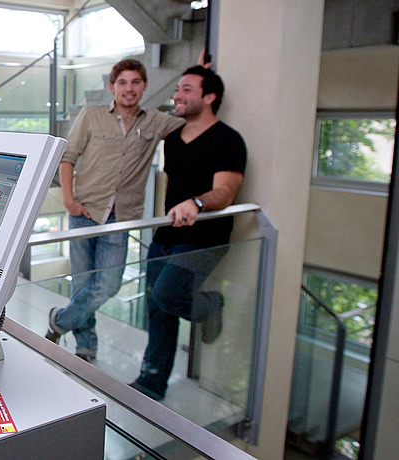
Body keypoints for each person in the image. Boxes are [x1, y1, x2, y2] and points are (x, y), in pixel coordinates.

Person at [45, 59, 185, 362]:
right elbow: (67, 157)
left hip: (120, 218)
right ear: (112, 87)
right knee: (83, 283)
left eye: (136, 82)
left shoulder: (156, 121)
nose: (129, 88)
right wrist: (69, 200)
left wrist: (201, 75)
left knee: (108, 284)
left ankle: (59, 320)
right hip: (84, 212)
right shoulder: (92, 115)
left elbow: (193, 123)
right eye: (122, 82)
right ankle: (86, 346)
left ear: (145, 86)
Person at [129, 66, 247, 401]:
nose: (178, 95)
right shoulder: (173, 138)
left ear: (209, 97)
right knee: (157, 308)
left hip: (205, 238)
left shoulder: (228, 140)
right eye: (178, 88)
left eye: (187, 89)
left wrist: (196, 202)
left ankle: (211, 305)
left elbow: (226, 191)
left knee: (167, 295)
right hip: (166, 235)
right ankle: (151, 384)